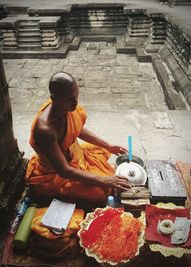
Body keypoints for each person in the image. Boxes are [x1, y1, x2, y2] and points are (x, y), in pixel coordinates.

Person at [26, 72, 131, 204]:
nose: (75, 102)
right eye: (70, 99)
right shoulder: (45, 130)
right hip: (57, 174)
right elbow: (64, 171)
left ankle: (96, 172)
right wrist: (105, 180)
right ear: (54, 98)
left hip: (74, 154)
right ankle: (58, 197)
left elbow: (77, 128)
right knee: (101, 192)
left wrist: (108, 145)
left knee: (102, 148)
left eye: (76, 96)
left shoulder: (64, 107)